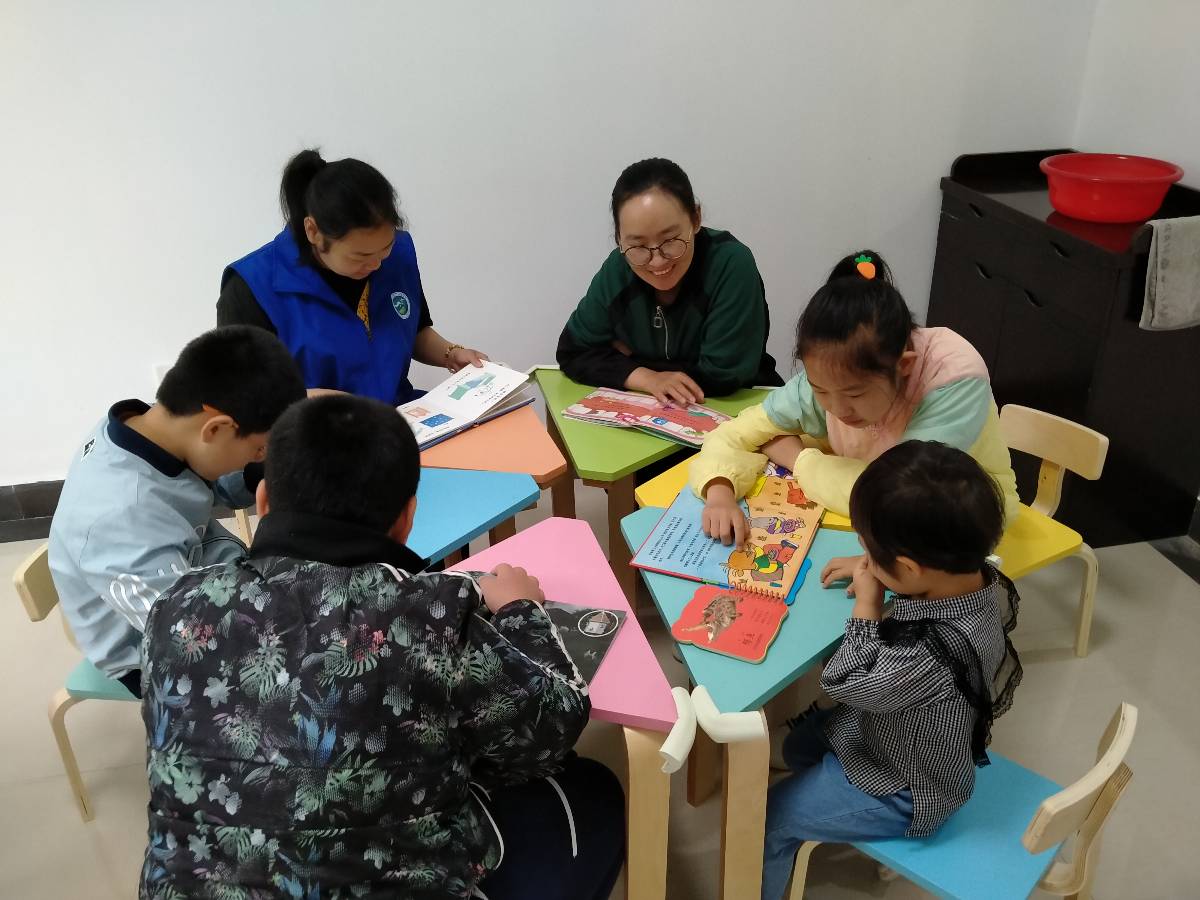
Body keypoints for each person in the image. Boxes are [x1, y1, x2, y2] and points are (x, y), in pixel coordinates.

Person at [138, 395, 625, 900]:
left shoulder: (173, 608)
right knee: (593, 789)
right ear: (408, 517)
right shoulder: (433, 614)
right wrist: (521, 609)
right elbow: (551, 727)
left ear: (262, 501)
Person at [760, 441, 1022, 899]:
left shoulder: (933, 654)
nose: (863, 555)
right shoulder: (967, 574)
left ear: (908, 567)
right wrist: (880, 571)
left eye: (869, 551)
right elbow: (918, 578)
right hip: (887, 731)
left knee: (772, 816)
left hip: (905, 788)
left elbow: (844, 682)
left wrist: (867, 603)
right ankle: (817, 780)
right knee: (801, 744)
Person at [693, 249, 1019, 547]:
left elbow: (902, 499)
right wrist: (719, 491)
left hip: (962, 532)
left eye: (855, 393)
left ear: (904, 366)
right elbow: (733, 434)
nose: (836, 409)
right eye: (820, 390)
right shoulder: (830, 370)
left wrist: (798, 459)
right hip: (872, 524)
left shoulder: (952, 377)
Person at [47, 326, 305, 696]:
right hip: (154, 646)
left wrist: (266, 470)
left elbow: (201, 478)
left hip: (198, 568)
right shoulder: (121, 518)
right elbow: (188, 638)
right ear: (216, 428)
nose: (260, 458)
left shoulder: (148, 429)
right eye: (259, 450)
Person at [218, 148, 488, 404]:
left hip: (400, 417)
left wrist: (450, 353)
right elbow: (242, 393)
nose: (377, 264)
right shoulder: (251, 287)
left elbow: (412, 330)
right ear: (313, 232)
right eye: (360, 256)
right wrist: (303, 399)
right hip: (312, 429)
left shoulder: (397, 255)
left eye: (385, 248)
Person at [556, 157, 781, 405]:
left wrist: (632, 361)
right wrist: (647, 378)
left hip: (743, 404)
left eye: (671, 240)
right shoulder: (618, 269)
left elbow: (723, 375)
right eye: (638, 245)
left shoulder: (730, 263)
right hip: (656, 409)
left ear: (696, 219)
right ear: (619, 238)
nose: (657, 261)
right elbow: (572, 351)